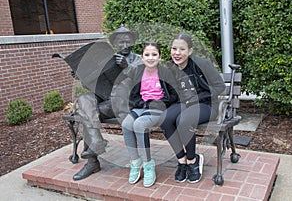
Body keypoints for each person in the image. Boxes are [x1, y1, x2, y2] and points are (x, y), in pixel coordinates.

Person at [72, 26, 141, 181]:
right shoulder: (107, 60)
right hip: (105, 100)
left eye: (127, 42)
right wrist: (81, 76)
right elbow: (94, 83)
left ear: (132, 42)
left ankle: (92, 160)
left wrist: (127, 67)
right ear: (115, 44)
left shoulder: (138, 59)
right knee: (84, 101)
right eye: (120, 42)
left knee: (88, 116)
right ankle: (96, 142)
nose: (124, 45)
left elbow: (144, 82)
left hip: (125, 102)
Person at [160, 34, 226, 183]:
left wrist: (198, 98)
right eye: (174, 48)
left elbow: (220, 86)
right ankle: (181, 160)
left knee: (184, 121)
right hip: (184, 104)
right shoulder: (170, 67)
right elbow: (171, 94)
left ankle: (192, 160)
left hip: (206, 104)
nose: (177, 53)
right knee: (165, 119)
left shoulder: (202, 64)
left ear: (190, 51)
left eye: (182, 49)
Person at [120, 42, 178, 187]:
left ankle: (148, 164)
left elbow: (174, 95)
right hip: (141, 107)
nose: (150, 58)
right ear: (142, 57)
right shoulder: (138, 72)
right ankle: (135, 162)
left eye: (154, 54)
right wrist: (141, 103)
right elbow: (133, 94)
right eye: (147, 55)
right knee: (126, 125)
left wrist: (158, 102)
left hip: (158, 108)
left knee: (139, 125)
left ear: (160, 56)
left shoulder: (165, 72)